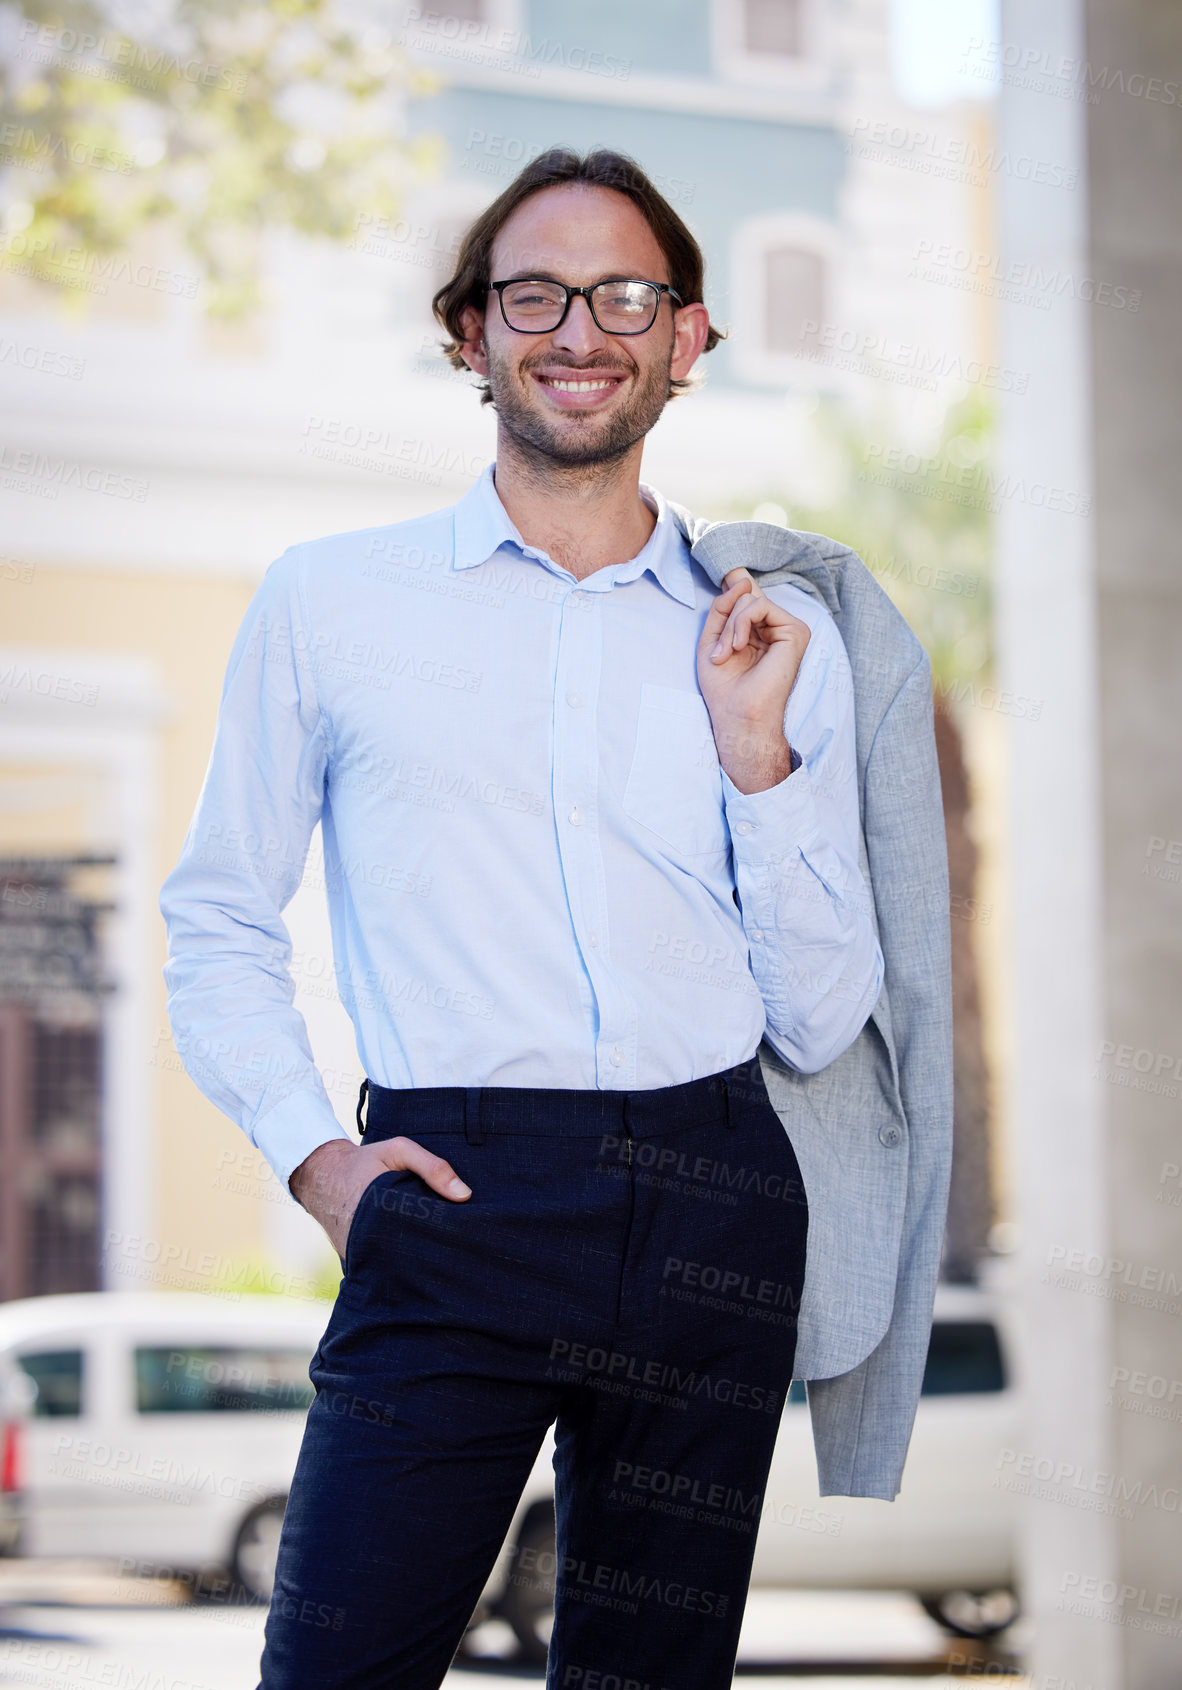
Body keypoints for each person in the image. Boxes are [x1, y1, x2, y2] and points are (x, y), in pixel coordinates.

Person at [160, 147, 888, 1689]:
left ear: (686, 339)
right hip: (449, 1192)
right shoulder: (329, 601)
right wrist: (321, 1160)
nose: (580, 328)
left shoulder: (765, 629)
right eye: (534, 292)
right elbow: (219, 914)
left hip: (710, 1198)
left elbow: (821, 1016)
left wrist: (755, 754)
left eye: (625, 293)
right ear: (468, 333)